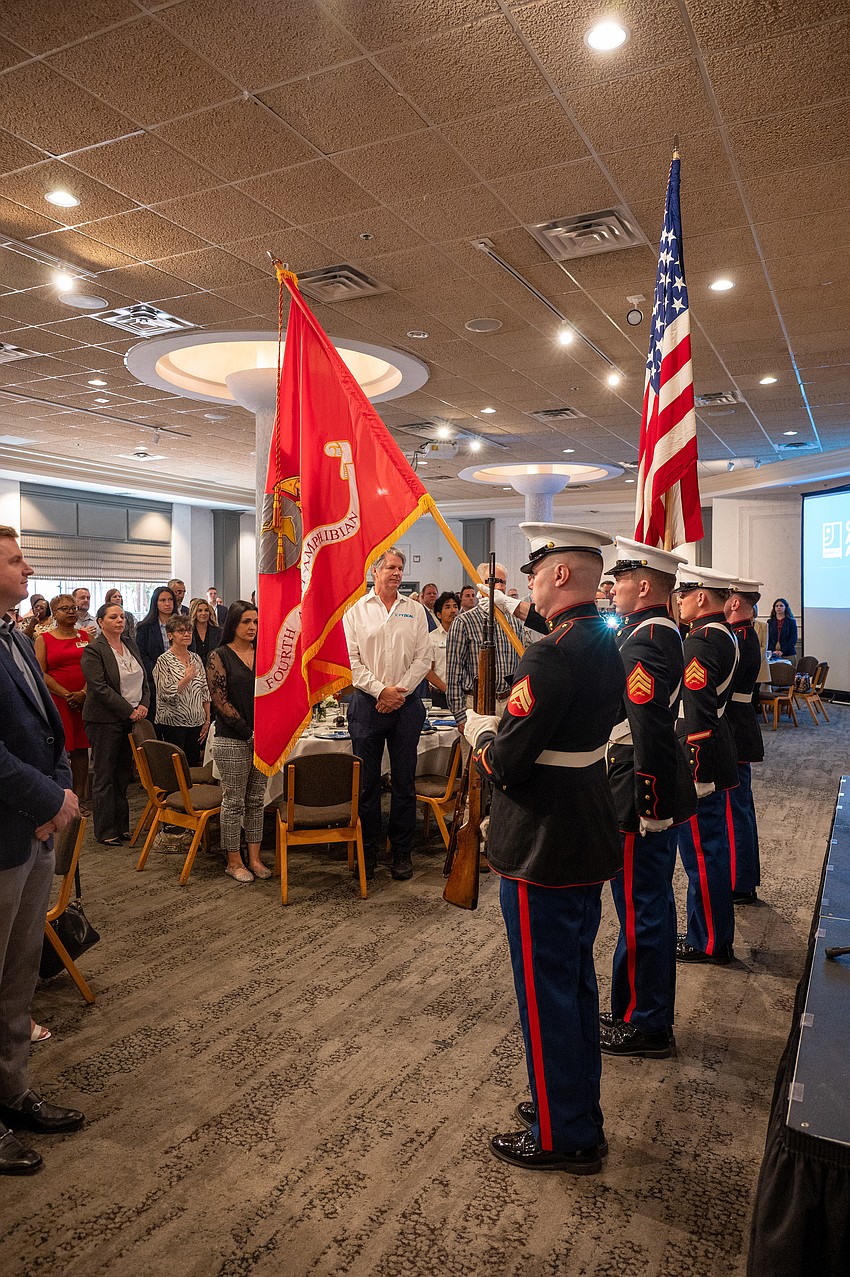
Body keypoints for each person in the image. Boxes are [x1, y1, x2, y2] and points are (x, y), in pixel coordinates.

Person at [464, 523, 624, 1174]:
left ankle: (565, 1135)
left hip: (542, 843)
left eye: (536, 570)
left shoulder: (551, 657)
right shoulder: (605, 640)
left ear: (561, 574)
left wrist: (482, 736)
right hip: (583, 828)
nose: (529, 582)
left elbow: (507, 765)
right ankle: (572, 1104)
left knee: (546, 990)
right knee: (576, 981)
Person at [0, 525, 84, 1176]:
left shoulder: (15, 636)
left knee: (17, 983)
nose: (28, 567)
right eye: (15, 558)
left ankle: (12, 1095)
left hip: (33, 833)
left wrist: (58, 791)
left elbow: (51, 731)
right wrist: (46, 801)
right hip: (5, 834)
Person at [601, 539, 697, 1059]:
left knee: (644, 910)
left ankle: (648, 1024)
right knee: (644, 905)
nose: (611, 588)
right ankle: (630, 1008)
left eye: (618, 581)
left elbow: (651, 732)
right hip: (641, 787)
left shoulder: (646, 640)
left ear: (643, 586)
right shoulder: (654, 633)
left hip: (642, 794)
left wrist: (651, 805)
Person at [342, 547, 430, 882]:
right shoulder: (356, 610)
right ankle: (368, 850)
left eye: (400, 567)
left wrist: (397, 693)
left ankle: (402, 852)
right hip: (367, 705)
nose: (396, 572)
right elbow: (352, 662)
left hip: (406, 706)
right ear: (374, 572)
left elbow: (423, 659)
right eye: (390, 567)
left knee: (404, 783)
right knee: (366, 785)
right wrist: (381, 692)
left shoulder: (415, 610)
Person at [673, 566, 740, 965]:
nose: (678, 600)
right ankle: (708, 933)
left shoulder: (700, 642)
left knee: (703, 856)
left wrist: (696, 776)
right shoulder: (722, 634)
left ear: (701, 597)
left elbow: (697, 716)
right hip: (716, 753)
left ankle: (711, 941)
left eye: (684, 594)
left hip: (702, 761)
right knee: (708, 853)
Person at [207, 602, 270, 884]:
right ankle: (234, 861)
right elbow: (220, 702)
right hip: (233, 738)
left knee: (256, 801)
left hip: (264, 738)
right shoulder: (219, 655)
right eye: (246, 622)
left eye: (255, 622)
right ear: (233, 624)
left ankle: (254, 858)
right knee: (234, 802)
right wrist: (248, 732)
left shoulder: (264, 655)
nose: (252, 627)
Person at [81, 602, 150, 846]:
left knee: (123, 776)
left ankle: (122, 827)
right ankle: (105, 830)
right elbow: (99, 688)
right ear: (101, 622)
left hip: (130, 717)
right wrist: (127, 711)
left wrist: (143, 704)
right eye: (113, 617)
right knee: (105, 776)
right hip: (104, 720)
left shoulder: (130, 644)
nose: (119, 620)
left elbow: (144, 678)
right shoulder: (94, 650)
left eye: (121, 616)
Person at [446, 562, 537, 735]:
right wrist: (460, 716)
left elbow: (520, 664)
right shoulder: (463, 622)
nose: (499, 587)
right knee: (477, 760)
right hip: (476, 703)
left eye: (502, 582)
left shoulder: (514, 622)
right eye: (492, 581)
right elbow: (454, 673)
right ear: (480, 584)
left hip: (508, 703)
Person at [724, 577, 766, 905]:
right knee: (740, 807)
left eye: (726, 596)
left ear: (736, 602)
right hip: (740, 725)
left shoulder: (737, 637)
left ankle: (740, 882)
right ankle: (744, 878)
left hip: (734, 728)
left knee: (735, 810)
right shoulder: (743, 633)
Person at [34, 595, 91, 811]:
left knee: (81, 749)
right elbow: (40, 673)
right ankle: (59, 799)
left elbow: (95, 669)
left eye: (73, 608)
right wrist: (68, 694)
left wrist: (84, 693)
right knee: (60, 749)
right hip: (58, 701)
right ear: (54, 613)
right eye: (64, 608)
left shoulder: (87, 636)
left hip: (84, 701)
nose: (71, 612)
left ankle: (80, 798)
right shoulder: (44, 639)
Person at [153, 615, 210, 767]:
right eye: (181, 631)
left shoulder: (196, 658)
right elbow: (165, 693)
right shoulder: (163, 661)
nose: (187, 634)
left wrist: (207, 720)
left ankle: (190, 792)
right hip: (173, 723)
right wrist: (187, 678)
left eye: (189, 630)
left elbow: (204, 690)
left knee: (192, 765)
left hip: (196, 721)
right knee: (175, 768)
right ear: (170, 635)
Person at [134, 586, 177, 724]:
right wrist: (161, 673)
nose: (167, 604)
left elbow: (190, 651)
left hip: (180, 680)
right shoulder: (144, 627)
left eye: (170, 600)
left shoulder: (183, 625)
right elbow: (142, 656)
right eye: (162, 600)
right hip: (154, 682)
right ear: (155, 603)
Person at [425, 591, 459, 710]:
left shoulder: (465, 636)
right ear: (439, 614)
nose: (453, 611)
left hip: (463, 695)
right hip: (439, 696)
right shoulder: (431, 638)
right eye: (448, 607)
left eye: (455, 606)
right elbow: (428, 670)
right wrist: (447, 690)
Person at [188, 596, 223, 666]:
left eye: (206, 610)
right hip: (194, 670)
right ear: (194, 613)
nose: (203, 613)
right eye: (200, 611)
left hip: (214, 670)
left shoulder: (218, 632)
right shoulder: (188, 632)